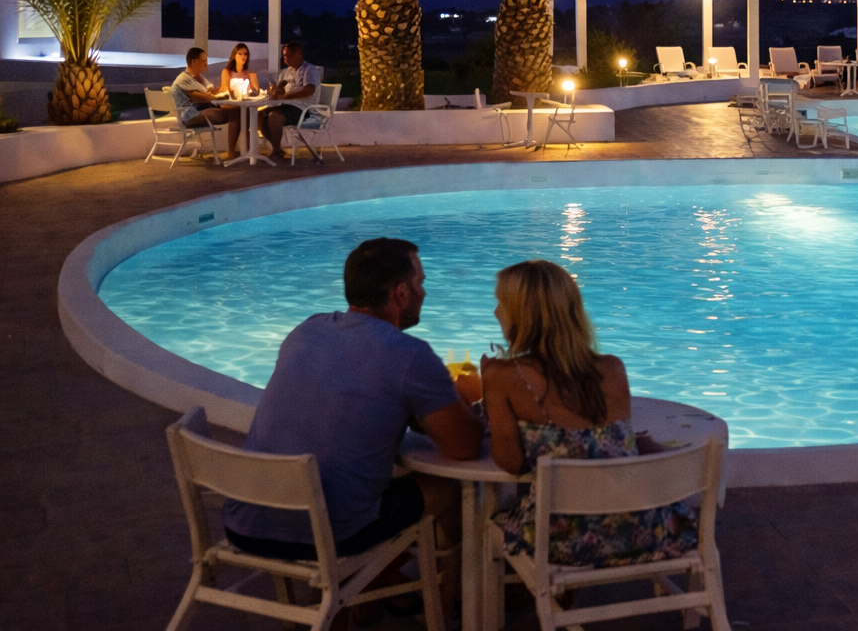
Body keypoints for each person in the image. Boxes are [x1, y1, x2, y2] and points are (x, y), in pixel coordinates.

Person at [222, 239, 482, 596]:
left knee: (368, 483)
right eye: (421, 283)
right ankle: (456, 591)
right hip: (326, 536)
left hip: (244, 521)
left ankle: (369, 601)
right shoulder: (409, 355)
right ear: (401, 293)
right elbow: (463, 447)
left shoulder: (306, 331)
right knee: (449, 489)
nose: (425, 292)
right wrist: (466, 397)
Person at [483, 260, 696, 566]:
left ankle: (503, 597)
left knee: (493, 520)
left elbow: (512, 463)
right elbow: (610, 446)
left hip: (559, 539)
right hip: (642, 530)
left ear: (522, 314)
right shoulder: (613, 369)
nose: (495, 312)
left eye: (501, 302)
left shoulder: (502, 376)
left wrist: (491, 402)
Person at [169, 46, 243, 162]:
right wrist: (217, 95)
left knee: (237, 111)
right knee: (235, 113)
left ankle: (236, 151)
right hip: (190, 116)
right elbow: (205, 97)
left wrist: (217, 93)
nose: (206, 63)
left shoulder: (198, 78)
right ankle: (232, 153)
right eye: (203, 61)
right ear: (194, 61)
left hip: (198, 111)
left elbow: (211, 91)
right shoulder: (183, 79)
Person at [259, 40, 320, 161]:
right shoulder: (287, 71)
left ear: (298, 54)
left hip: (303, 109)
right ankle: (276, 148)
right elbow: (281, 93)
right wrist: (279, 90)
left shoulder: (309, 70)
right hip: (287, 106)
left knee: (274, 117)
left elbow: (309, 90)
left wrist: (288, 96)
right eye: (284, 56)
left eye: (288, 55)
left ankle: (276, 152)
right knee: (260, 115)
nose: (285, 59)